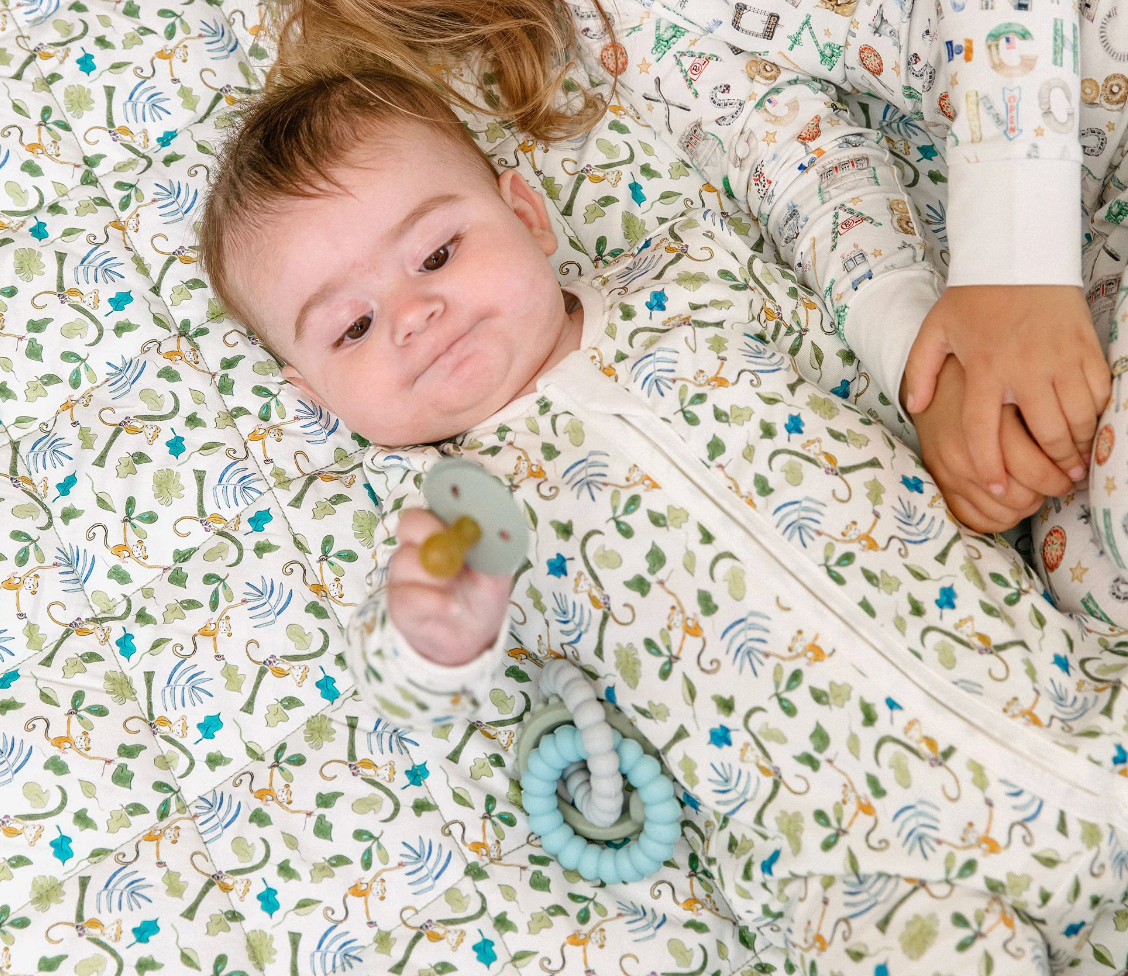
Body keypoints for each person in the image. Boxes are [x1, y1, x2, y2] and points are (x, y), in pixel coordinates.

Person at [197, 67, 1128, 966]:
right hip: (859, 879)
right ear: (313, 394)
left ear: (527, 215)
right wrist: (431, 636)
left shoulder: (691, 279)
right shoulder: (450, 512)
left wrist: (960, 431)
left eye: (437, 254)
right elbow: (413, 695)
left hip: (1059, 690)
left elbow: (869, 370)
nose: (413, 314)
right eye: (353, 328)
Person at [187, 0, 1128, 554]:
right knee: (1084, 532)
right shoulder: (625, 11)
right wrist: (930, 361)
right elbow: (803, 166)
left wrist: (1013, 267)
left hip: (1046, 159)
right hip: (1085, 211)